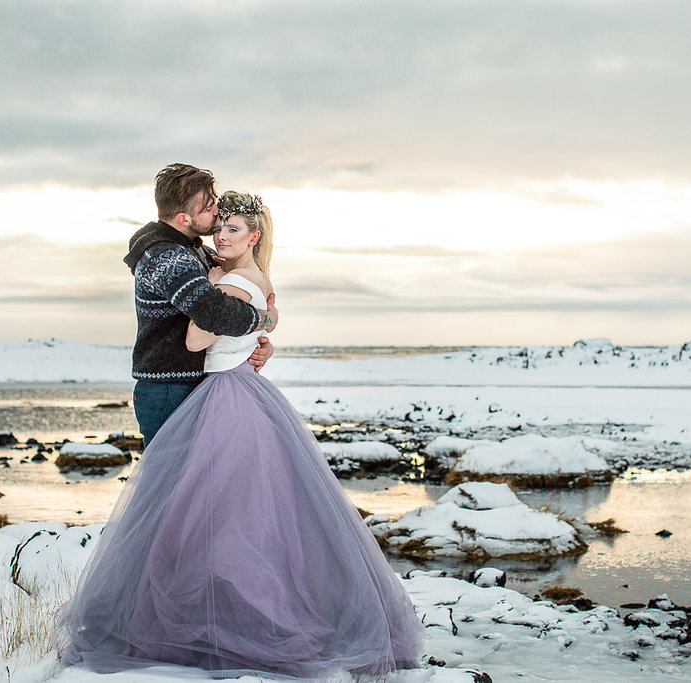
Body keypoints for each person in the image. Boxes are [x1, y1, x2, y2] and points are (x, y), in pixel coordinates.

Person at [55, 192, 424, 678]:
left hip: (224, 397)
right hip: (241, 392)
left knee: (211, 514)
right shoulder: (245, 275)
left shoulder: (230, 281)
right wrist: (259, 322)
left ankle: (222, 621)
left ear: (255, 236)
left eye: (232, 230)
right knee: (240, 513)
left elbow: (195, 339)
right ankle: (226, 611)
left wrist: (230, 306)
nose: (220, 235)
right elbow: (264, 311)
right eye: (219, 227)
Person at [123, 164, 278, 446]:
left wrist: (257, 343)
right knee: (169, 484)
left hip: (193, 384)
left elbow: (238, 292)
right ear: (184, 218)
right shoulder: (167, 257)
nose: (217, 210)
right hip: (168, 388)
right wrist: (265, 320)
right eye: (208, 208)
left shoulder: (196, 249)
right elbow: (215, 314)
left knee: (193, 483)